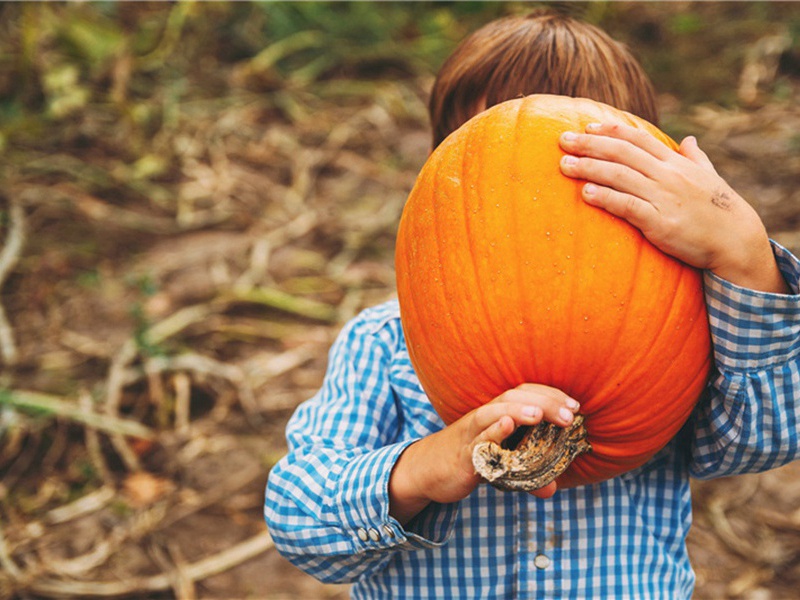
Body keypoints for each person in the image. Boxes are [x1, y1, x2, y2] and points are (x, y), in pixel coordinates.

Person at [264, 10, 800, 598]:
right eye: (499, 174)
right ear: (443, 188)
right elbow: (300, 520)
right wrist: (427, 466)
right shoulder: (383, 340)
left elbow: (766, 438)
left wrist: (745, 257)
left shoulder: (687, 325)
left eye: (577, 177)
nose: (537, 206)